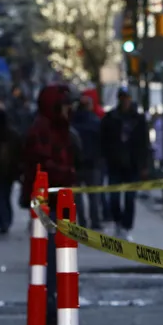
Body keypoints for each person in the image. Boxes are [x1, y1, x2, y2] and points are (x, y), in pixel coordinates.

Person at [20, 83, 78, 325]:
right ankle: (49, 304)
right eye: (65, 106)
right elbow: (42, 166)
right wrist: (67, 173)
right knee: (51, 258)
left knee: (58, 258)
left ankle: (53, 302)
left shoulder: (61, 129)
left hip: (59, 202)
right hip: (48, 204)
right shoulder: (43, 131)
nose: (69, 110)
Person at [99, 87, 150, 239]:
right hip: (115, 164)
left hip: (132, 165)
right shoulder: (110, 118)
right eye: (122, 98)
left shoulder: (138, 119)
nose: (125, 101)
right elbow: (103, 141)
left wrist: (144, 165)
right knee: (114, 197)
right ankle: (118, 223)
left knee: (129, 198)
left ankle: (126, 227)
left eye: (127, 98)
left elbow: (144, 143)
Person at [71, 95, 103, 229]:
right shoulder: (95, 121)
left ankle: (82, 221)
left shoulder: (72, 122)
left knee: (77, 197)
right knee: (93, 195)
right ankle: (95, 221)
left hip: (76, 163)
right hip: (92, 163)